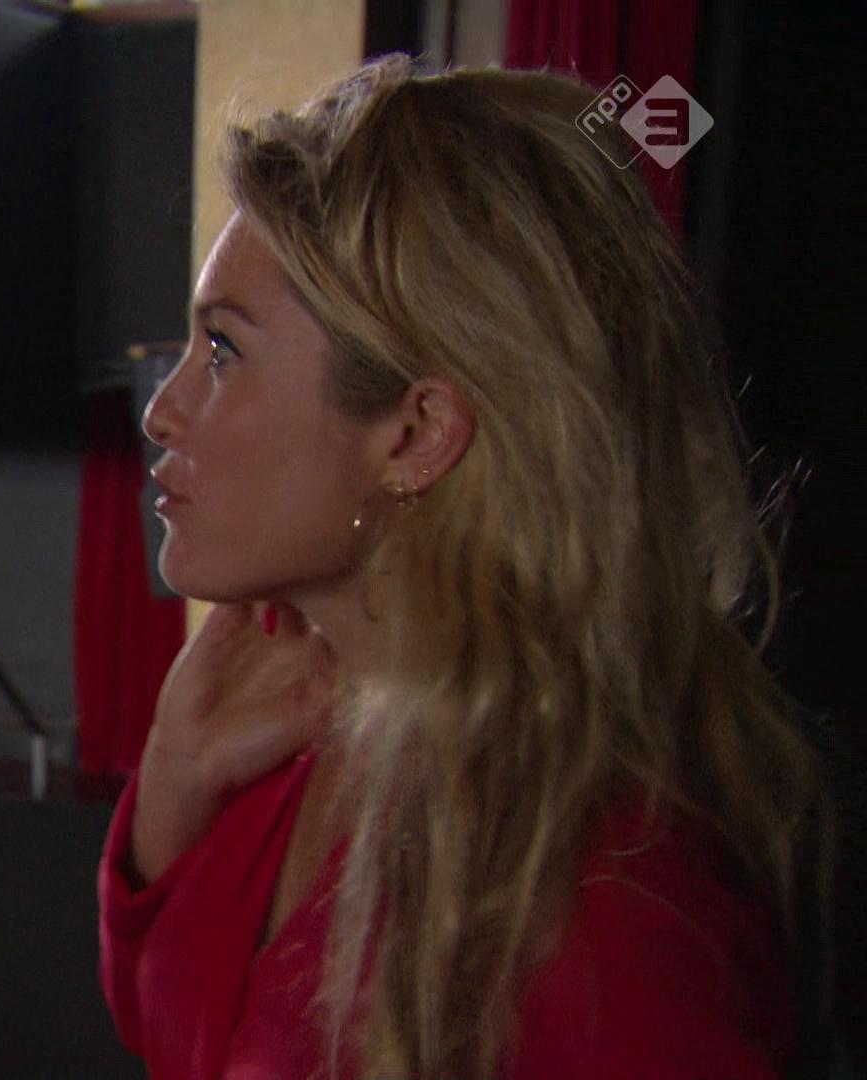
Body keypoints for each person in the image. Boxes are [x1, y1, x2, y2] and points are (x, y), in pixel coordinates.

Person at [99, 54, 833, 1079]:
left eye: (223, 352)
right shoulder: (295, 706)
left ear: (416, 434)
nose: (161, 412)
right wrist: (173, 790)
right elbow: (176, 1023)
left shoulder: (613, 913)